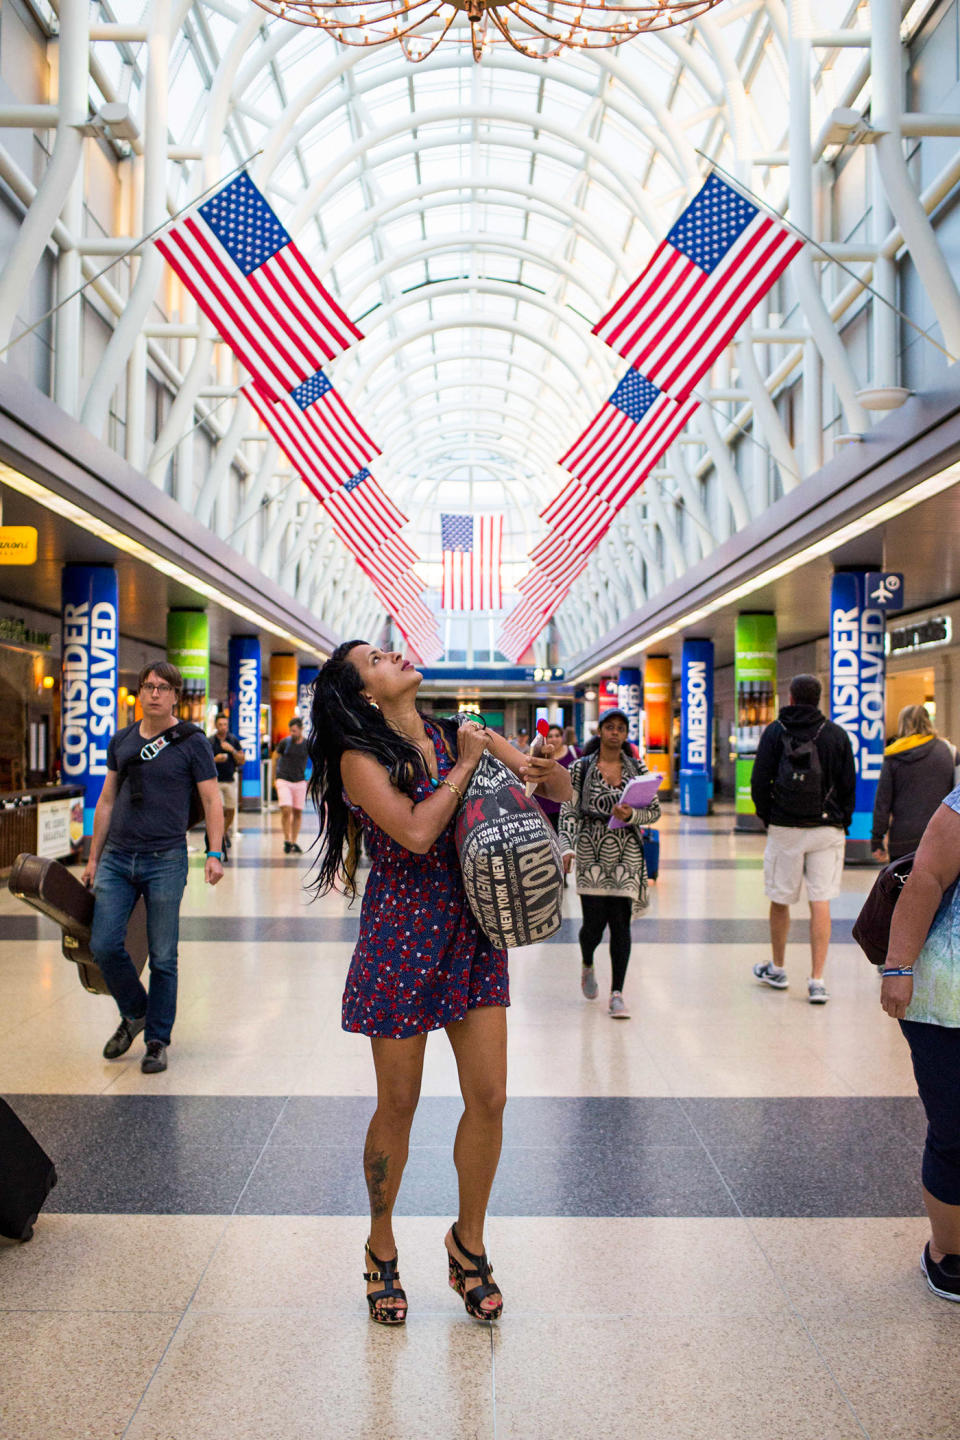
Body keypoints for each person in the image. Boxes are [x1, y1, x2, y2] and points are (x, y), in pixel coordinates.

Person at [308, 641, 571, 1326]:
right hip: (401, 936)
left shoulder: (458, 731)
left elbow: (551, 788)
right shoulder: (360, 759)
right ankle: (380, 1241)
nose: (392, 654)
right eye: (374, 659)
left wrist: (543, 766)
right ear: (363, 693)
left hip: (474, 928)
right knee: (399, 1103)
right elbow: (418, 833)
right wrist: (464, 765)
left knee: (490, 1095)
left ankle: (468, 1243)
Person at [82, 662, 224, 1074]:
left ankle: (156, 1039)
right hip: (117, 858)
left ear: (176, 695)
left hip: (165, 859)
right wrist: (93, 857)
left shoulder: (191, 742)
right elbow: (107, 801)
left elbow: (212, 800)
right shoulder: (122, 740)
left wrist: (214, 852)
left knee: (163, 956)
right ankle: (136, 1011)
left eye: (163, 688)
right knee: (105, 945)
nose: (155, 694)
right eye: (148, 687)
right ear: (140, 693)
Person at [879, 782, 960, 1302]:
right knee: (955, 1128)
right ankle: (948, 1253)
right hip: (949, 999)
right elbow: (926, 877)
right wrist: (898, 967)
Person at [750, 673, 856, 1004]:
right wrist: (842, 821)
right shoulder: (836, 735)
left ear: (791, 697)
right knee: (820, 901)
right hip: (826, 828)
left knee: (781, 899)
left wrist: (770, 816)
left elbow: (759, 780)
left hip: (785, 828)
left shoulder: (775, 731)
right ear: (819, 698)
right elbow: (849, 785)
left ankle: (778, 968)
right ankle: (817, 980)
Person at [559, 708, 661, 1019]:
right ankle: (587, 960)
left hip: (626, 852)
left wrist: (633, 815)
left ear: (626, 734)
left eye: (621, 728)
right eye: (610, 727)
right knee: (593, 925)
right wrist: (566, 847)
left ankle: (617, 992)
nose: (615, 732)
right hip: (591, 850)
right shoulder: (581, 768)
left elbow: (654, 811)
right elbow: (569, 810)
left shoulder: (638, 768)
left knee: (620, 924)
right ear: (600, 731)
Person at [872, 705, 957, 863]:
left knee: (904, 885)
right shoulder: (948, 751)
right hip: (941, 834)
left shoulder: (893, 755)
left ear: (903, 724)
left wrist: (877, 838)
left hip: (903, 839)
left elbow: (883, 802)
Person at [208, 712, 243, 864]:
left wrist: (232, 750)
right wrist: (215, 759)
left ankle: (221, 833)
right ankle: (219, 838)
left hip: (229, 780)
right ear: (216, 725)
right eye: (220, 724)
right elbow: (203, 761)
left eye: (225, 725)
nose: (223, 727)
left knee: (231, 809)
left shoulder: (233, 740)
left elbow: (242, 759)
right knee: (219, 810)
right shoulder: (210, 741)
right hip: (215, 781)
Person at [273, 716, 309, 853]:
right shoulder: (285, 743)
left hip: (299, 781)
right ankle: (287, 839)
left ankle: (294, 841)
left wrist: (310, 778)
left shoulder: (307, 744)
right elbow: (275, 757)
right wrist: (274, 778)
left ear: (301, 730)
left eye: (294, 731)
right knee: (286, 809)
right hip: (283, 779)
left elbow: (315, 761)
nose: (292, 733)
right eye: (291, 731)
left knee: (297, 812)